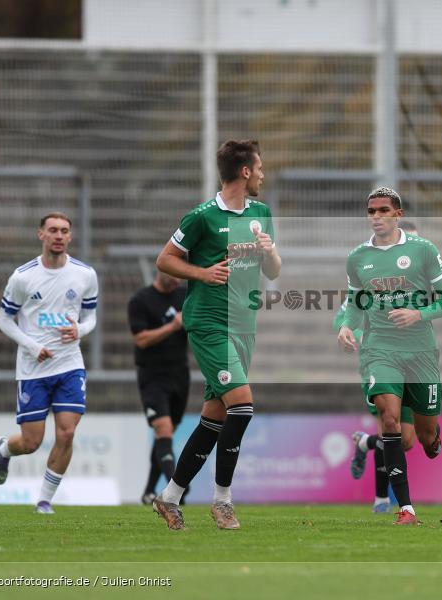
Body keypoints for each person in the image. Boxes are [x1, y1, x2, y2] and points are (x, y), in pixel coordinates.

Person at [151, 139, 281, 531]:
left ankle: (169, 498)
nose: (262, 173)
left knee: (214, 418)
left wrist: (269, 251)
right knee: (242, 407)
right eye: (258, 167)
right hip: (209, 323)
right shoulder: (202, 217)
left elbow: (273, 271)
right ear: (244, 171)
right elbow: (165, 260)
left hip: (244, 325)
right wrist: (203, 273)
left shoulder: (261, 212)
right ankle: (223, 500)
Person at [338, 189, 442, 525]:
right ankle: (406, 508)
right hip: (380, 351)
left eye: (384, 210)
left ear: (398, 214)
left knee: (424, 438)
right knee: (389, 420)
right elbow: (355, 303)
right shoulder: (358, 257)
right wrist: (347, 327)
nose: (376, 216)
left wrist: (419, 315)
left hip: (420, 353)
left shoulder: (423, 250)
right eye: (371, 210)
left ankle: (433, 437)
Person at [0, 212, 99, 514]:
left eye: (64, 231)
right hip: (33, 368)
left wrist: (80, 329)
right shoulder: (23, 277)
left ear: (70, 237)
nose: (59, 236)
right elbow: (4, 319)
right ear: (41, 234)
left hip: (69, 365)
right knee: (30, 442)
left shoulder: (85, 274)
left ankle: (44, 500)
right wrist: (31, 344)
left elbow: (90, 317)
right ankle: (4, 448)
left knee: (66, 432)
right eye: (53, 230)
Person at [343, 220, 418, 514]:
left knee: (407, 439)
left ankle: (364, 444)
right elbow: (347, 314)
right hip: (380, 360)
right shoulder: (371, 282)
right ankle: (382, 500)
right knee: (390, 424)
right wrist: (349, 330)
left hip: (413, 362)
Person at [127, 271, 189, 506]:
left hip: (179, 374)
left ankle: (149, 491)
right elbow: (140, 339)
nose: (178, 279)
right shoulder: (140, 300)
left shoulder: (184, 295)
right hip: (152, 376)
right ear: (161, 270)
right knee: (163, 428)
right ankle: (177, 490)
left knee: (167, 432)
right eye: (173, 274)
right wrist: (173, 326)